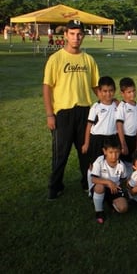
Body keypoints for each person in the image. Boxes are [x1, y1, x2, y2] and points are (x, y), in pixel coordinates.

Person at [43, 19, 100, 200]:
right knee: (61, 153)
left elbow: (95, 86)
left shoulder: (88, 59)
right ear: (66, 35)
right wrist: (50, 114)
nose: (76, 37)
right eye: (72, 34)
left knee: (86, 151)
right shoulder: (56, 58)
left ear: (83, 35)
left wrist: (107, 100)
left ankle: (87, 182)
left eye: (79, 34)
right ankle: (55, 186)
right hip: (63, 113)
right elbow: (47, 87)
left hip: (84, 112)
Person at [82, 76, 118, 172]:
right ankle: (93, 183)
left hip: (112, 138)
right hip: (97, 139)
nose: (108, 93)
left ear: (114, 91)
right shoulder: (96, 107)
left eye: (111, 90)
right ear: (99, 91)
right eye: (105, 91)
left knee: (111, 162)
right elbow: (89, 126)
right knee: (95, 163)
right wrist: (86, 143)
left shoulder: (117, 105)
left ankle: (110, 182)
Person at [90, 138, 128, 224]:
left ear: (120, 151)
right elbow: (93, 179)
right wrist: (108, 182)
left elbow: (123, 180)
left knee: (123, 208)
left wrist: (122, 192)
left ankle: (110, 203)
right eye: (111, 152)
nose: (114, 155)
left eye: (117, 152)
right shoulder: (99, 161)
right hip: (101, 187)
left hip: (114, 189)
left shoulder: (121, 165)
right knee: (100, 187)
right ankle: (99, 212)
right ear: (105, 151)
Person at [116, 77, 137, 168]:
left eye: (134, 90)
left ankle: (131, 180)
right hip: (124, 139)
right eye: (129, 92)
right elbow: (119, 126)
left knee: (132, 164)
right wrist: (123, 144)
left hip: (134, 139)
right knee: (122, 165)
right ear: (122, 93)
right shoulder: (122, 107)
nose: (132, 94)